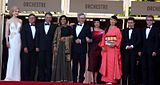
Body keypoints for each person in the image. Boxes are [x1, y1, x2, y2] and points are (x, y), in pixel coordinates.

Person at [99, 15, 122, 84]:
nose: (112, 21)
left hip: (113, 49)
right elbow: (103, 38)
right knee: (106, 64)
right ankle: (106, 79)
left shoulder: (117, 30)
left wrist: (114, 44)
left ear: (116, 21)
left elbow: (119, 39)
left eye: (114, 20)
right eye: (111, 20)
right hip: (106, 49)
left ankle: (112, 80)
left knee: (112, 64)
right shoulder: (106, 29)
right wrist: (102, 46)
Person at [36, 12, 57, 81]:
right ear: (45, 18)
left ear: (51, 19)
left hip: (50, 49)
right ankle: (41, 79)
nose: (48, 19)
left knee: (49, 65)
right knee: (41, 64)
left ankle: (48, 80)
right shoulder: (39, 25)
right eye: (47, 17)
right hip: (41, 48)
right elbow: (37, 37)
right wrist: (37, 46)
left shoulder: (54, 27)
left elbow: (55, 38)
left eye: (49, 17)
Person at [71, 13, 92, 83]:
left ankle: (80, 80)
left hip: (82, 49)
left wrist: (81, 40)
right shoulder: (73, 26)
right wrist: (75, 39)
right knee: (74, 65)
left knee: (82, 65)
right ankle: (74, 80)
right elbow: (72, 36)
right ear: (78, 18)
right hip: (74, 49)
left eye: (83, 18)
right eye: (81, 18)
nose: (82, 19)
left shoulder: (87, 27)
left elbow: (89, 38)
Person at [139, 15, 159, 85]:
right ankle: (144, 82)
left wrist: (155, 51)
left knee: (151, 68)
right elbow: (140, 41)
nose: (149, 21)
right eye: (148, 20)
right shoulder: (142, 29)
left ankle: (151, 83)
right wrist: (139, 50)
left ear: (153, 21)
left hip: (152, 52)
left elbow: (157, 41)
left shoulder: (156, 30)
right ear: (146, 21)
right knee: (144, 68)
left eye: (150, 20)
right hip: (143, 52)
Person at [52, 15, 73, 82]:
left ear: (66, 20)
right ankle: (58, 78)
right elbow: (54, 38)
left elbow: (72, 37)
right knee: (58, 62)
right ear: (60, 21)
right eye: (61, 19)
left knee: (66, 62)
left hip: (67, 47)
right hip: (59, 47)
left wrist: (66, 38)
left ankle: (66, 79)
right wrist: (55, 46)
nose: (63, 20)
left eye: (64, 19)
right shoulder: (58, 28)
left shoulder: (69, 28)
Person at [121, 17, 141, 85]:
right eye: (129, 22)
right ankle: (124, 83)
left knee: (133, 69)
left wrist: (132, 46)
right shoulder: (123, 31)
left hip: (134, 52)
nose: (130, 24)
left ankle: (132, 83)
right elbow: (122, 41)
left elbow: (139, 40)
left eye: (131, 22)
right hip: (125, 53)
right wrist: (126, 46)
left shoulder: (138, 30)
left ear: (134, 23)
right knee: (125, 69)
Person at [4, 6, 22, 81]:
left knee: (17, 57)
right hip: (11, 39)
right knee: (11, 57)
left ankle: (16, 76)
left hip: (18, 39)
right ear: (12, 12)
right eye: (15, 11)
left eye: (17, 11)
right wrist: (7, 41)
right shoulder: (8, 21)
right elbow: (6, 33)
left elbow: (20, 31)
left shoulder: (20, 21)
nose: (16, 12)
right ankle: (9, 76)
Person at [21, 13, 38, 81]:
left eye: (33, 18)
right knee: (25, 65)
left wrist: (37, 47)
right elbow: (23, 37)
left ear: (35, 19)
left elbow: (38, 38)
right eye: (30, 18)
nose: (31, 19)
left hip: (34, 49)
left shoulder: (38, 27)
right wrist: (24, 47)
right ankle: (25, 79)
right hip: (26, 49)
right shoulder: (24, 27)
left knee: (33, 65)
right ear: (28, 19)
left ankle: (31, 80)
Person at [88, 19, 104, 84]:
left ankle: (96, 79)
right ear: (94, 23)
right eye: (95, 22)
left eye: (98, 22)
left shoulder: (103, 31)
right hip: (92, 49)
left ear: (100, 23)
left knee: (98, 64)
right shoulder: (91, 30)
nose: (97, 23)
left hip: (99, 49)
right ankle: (92, 79)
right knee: (92, 63)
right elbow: (88, 38)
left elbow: (103, 40)